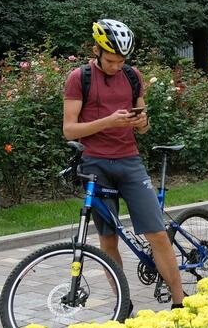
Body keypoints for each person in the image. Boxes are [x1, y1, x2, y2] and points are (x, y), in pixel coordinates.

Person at [61, 19, 185, 309]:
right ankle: (123, 303)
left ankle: (180, 302)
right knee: (108, 240)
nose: (117, 66)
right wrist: (109, 121)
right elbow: (69, 130)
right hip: (95, 164)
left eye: (121, 61)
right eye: (111, 60)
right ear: (96, 51)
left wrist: (141, 122)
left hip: (129, 160)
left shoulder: (132, 76)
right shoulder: (79, 78)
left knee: (156, 232)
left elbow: (142, 123)